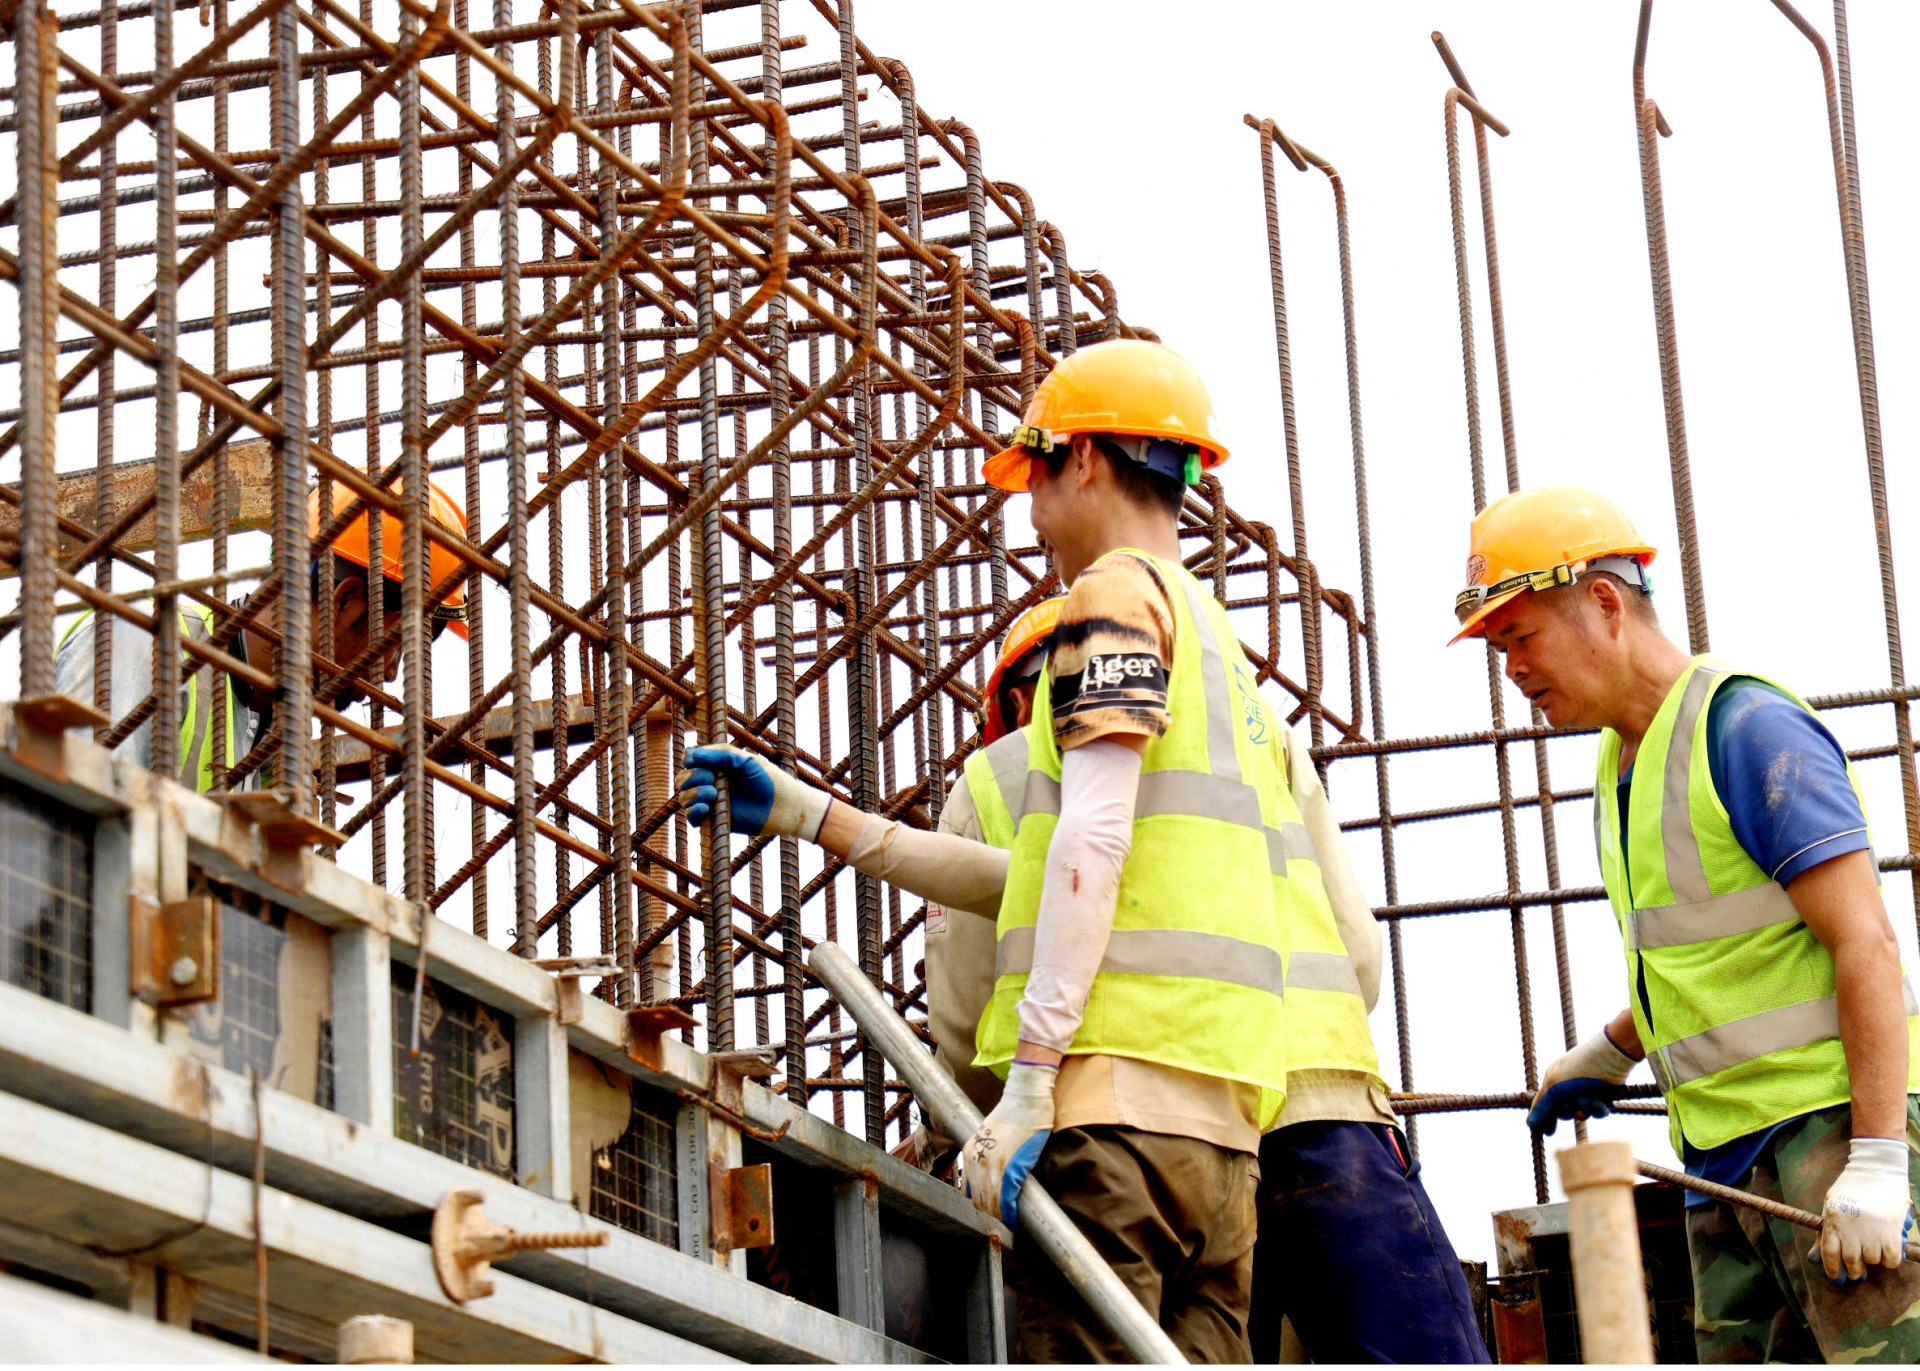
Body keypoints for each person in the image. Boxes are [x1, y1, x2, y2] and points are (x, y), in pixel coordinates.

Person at [686, 339, 1295, 1361]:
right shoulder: (1221, 651)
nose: (1033, 515)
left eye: (1037, 481)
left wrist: (1030, 1083)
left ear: (1087, 462)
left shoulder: (1114, 595)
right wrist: (812, 816)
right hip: (1224, 1141)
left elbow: (1091, 841)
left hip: (1114, 1122)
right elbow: (1065, 873)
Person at [1452, 486, 1920, 1364]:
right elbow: (1713, 950)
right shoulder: (1620, 758)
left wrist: (1880, 1157)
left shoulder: (1746, 728)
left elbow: (1865, 940)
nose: (1511, 668)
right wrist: (1615, 1047)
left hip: (1825, 1139)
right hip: (1720, 1163)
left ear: (1601, 602)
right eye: (1498, 648)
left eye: (1520, 636)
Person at [55, 477, 470, 792]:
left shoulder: (276, 730)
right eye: (393, 646)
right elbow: (70, 829)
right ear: (345, 600)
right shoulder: (145, 645)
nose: (390, 674)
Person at [893, 595, 1064, 1178]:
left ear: (1017, 700)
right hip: (1237, 1116)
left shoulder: (996, 775)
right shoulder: (1202, 763)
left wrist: (946, 1138)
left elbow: (966, 1016)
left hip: (1048, 1137)